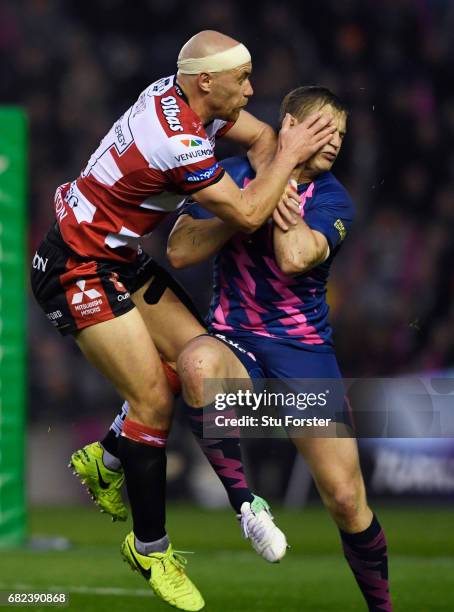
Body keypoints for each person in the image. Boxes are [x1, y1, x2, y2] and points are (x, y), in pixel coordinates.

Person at [31, 29, 336, 611]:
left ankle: (108, 458)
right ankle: (151, 548)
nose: (251, 89)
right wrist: (288, 168)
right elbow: (248, 209)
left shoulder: (193, 105)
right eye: (241, 79)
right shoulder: (175, 137)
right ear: (206, 83)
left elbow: (265, 137)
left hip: (116, 258)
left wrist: (281, 182)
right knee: (152, 401)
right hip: (76, 267)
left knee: (196, 357)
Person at [168, 87, 393, 612]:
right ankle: (247, 505)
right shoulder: (228, 173)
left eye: (341, 132)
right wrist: (245, 208)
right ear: (288, 124)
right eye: (323, 127)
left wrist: (280, 192)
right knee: (196, 362)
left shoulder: (335, 199)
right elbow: (179, 249)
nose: (335, 139)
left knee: (344, 499)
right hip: (235, 340)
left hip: (304, 353)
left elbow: (295, 258)